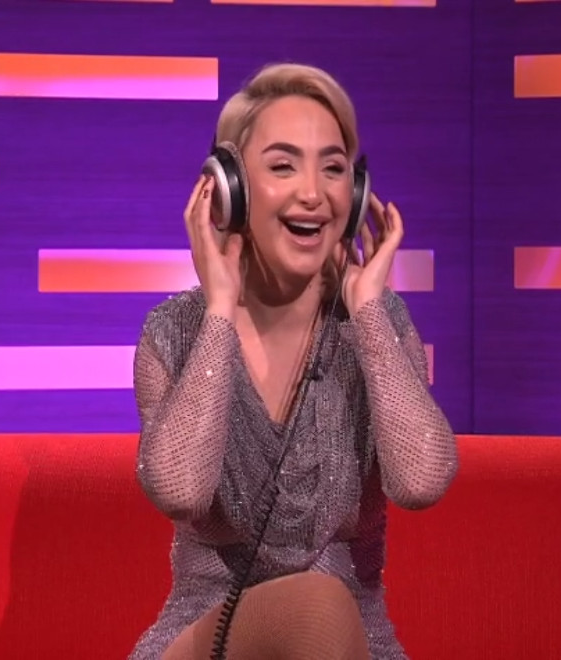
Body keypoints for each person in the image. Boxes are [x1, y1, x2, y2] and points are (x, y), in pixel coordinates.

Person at [127, 62, 458, 660]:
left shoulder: (379, 326)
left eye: (333, 168)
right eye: (283, 166)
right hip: (210, 638)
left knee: (325, 609)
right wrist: (220, 309)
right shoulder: (174, 332)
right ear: (230, 189)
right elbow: (179, 490)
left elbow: (422, 483)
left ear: (356, 194)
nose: (313, 193)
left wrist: (368, 311)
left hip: (352, 645)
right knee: (316, 605)